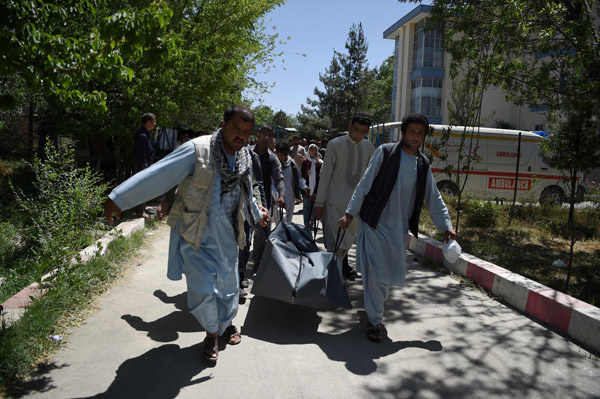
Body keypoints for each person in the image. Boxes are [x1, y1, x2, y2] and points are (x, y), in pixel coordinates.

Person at [104, 104, 269, 363]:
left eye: (247, 132)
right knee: (202, 290)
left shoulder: (245, 157)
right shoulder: (198, 149)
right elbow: (159, 174)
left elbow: (247, 192)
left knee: (228, 290)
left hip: (228, 237)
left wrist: (258, 217)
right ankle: (211, 333)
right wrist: (118, 198)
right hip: (196, 237)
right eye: (237, 129)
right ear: (223, 126)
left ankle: (225, 325)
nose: (242, 137)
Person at [339, 114, 457, 343]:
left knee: (386, 277)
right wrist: (350, 212)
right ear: (403, 132)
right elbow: (365, 183)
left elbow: (434, 198)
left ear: (424, 136)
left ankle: (375, 307)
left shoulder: (422, 164)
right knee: (375, 275)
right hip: (374, 223)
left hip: (399, 229)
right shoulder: (385, 152)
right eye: (411, 132)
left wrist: (446, 227)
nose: (415, 137)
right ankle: (374, 320)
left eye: (420, 133)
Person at [314, 112, 375, 280]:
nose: (358, 135)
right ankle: (334, 278)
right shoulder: (335, 144)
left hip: (355, 206)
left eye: (363, 132)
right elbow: (325, 175)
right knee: (335, 244)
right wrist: (319, 204)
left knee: (347, 242)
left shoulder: (369, 148)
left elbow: (371, 178)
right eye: (356, 130)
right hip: (334, 202)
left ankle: (335, 274)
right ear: (350, 126)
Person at [250, 125, 285, 267]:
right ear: (257, 135)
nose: (266, 138)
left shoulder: (272, 159)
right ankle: (240, 271)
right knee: (244, 236)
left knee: (262, 235)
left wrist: (282, 194)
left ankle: (257, 263)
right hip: (243, 200)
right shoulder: (245, 153)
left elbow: (279, 178)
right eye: (264, 134)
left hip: (263, 203)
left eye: (269, 135)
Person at [133, 113, 157, 218]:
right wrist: (144, 166)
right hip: (143, 166)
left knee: (146, 188)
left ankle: (142, 208)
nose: (155, 124)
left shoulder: (146, 133)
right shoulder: (142, 135)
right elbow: (141, 152)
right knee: (142, 188)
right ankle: (139, 210)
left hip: (147, 165)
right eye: (154, 121)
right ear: (148, 122)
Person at [275, 141, 301, 223]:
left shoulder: (292, 164)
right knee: (280, 223)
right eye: (281, 155)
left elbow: (299, 178)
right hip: (278, 199)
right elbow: (271, 183)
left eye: (285, 154)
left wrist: (304, 187)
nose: (283, 157)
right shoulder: (274, 164)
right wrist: (278, 196)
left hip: (291, 197)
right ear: (277, 153)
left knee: (288, 222)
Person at [299, 144, 323, 227]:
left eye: (315, 150)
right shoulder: (305, 162)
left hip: (316, 188)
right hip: (307, 188)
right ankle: (306, 222)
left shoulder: (319, 163)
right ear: (309, 151)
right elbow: (302, 175)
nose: (313, 152)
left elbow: (320, 178)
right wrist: (304, 186)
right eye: (312, 150)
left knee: (314, 207)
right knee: (306, 206)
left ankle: (312, 221)